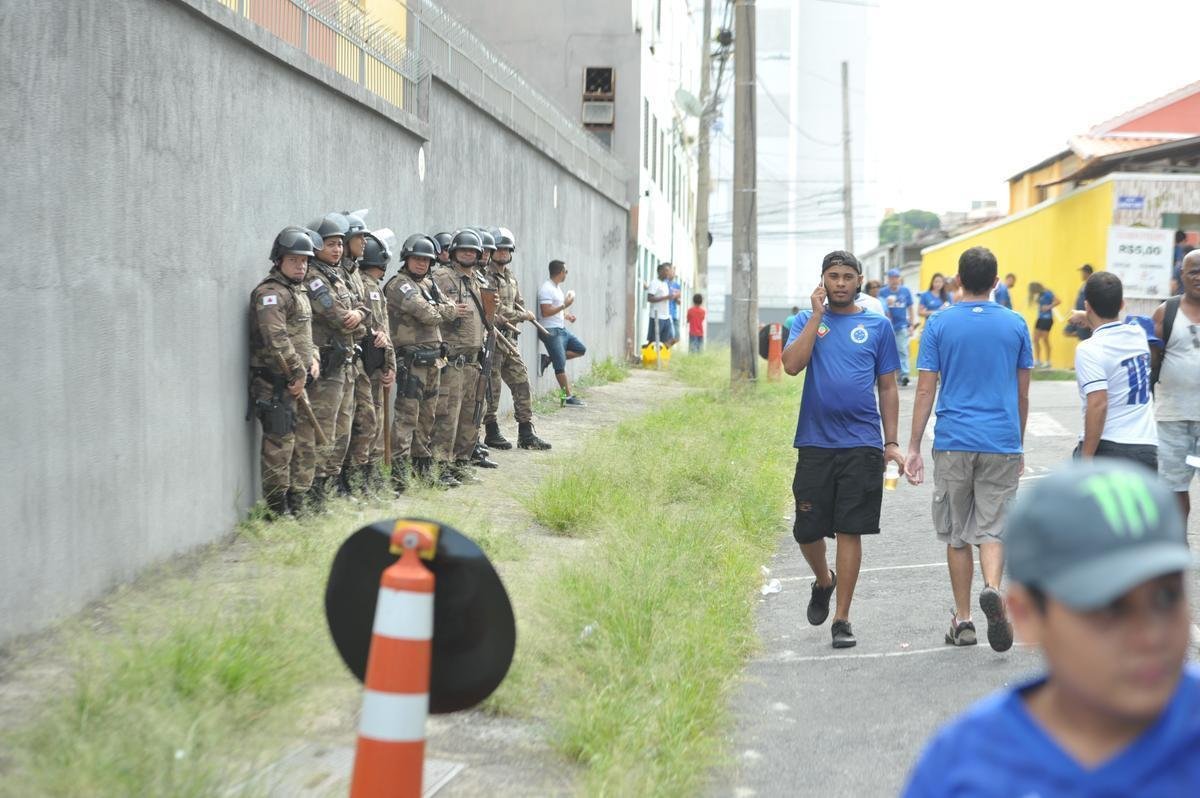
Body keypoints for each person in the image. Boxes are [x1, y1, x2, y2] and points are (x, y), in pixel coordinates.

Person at [903, 460, 1199, 798]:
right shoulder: (963, 771)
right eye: (1109, 608)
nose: (1151, 635)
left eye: (1166, 596)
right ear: (1026, 615)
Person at [904, 246, 1032, 652]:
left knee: (957, 533)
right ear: (996, 282)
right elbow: (1022, 392)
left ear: (957, 281)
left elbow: (926, 387)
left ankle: (963, 620)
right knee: (993, 526)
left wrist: (912, 446)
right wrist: (1019, 441)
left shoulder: (939, 324)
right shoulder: (1015, 324)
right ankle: (992, 587)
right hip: (1001, 441)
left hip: (955, 439)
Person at [782, 250, 904, 649]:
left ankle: (843, 618)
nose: (839, 283)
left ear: (858, 281)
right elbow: (791, 366)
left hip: (862, 443)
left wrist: (891, 443)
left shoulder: (878, 326)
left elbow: (887, 386)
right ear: (822, 280)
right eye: (832, 276)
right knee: (807, 529)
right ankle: (823, 580)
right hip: (815, 441)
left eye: (847, 276)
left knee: (851, 529)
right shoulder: (805, 321)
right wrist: (816, 317)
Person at [248, 227, 319, 517]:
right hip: (276, 383)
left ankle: (298, 500)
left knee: (302, 443)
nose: (300, 265)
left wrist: (313, 359)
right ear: (279, 260)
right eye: (294, 260)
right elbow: (276, 340)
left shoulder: (298, 292)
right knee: (280, 444)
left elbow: (305, 334)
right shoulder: (270, 294)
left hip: (298, 380)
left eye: (304, 261)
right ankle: (277, 508)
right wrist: (296, 374)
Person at [303, 213, 368, 510]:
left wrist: (358, 316)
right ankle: (314, 488)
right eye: (331, 244)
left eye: (340, 244)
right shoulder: (314, 278)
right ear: (316, 246)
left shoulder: (337, 275)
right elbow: (338, 317)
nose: (337, 250)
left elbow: (360, 309)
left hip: (344, 362)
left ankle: (331, 483)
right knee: (323, 428)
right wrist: (354, 317)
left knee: (342, 428)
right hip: (327, 364)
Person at [384, 234, 458, 493]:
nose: (421, 264)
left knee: (428, 417)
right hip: (412, 360)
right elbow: (429, 315)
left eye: (426, 260)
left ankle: (422, 467)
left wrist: (440, 309)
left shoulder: (428, 284)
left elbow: (450, 310)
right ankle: (399, 471)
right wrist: (440, 309)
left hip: (433, 360)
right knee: (407, 417)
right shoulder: (399, 285)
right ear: (407, 258)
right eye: (416, 259)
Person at [1073, 271, 1157, 471]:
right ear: (1121, 304)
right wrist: (1086, 316)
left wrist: (1086, 459)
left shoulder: (1089, 349)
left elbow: (1098, 404)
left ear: (1087, 305)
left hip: (1109, 447)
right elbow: (1115, 323)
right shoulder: (1139, 334)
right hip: (1147, 448)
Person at [482, 226, 551, 451]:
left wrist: (522, 310)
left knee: (521, 382)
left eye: (506, 250)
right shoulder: (485, 276)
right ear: (491, 251)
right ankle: (491, 432)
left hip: (509, 340)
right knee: (491, 390)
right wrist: (523, 315)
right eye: (499, 249)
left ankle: (526, 433)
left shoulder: (510, 277)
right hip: (493, 339)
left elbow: (517, 300)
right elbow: (496, 310)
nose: (502, 253)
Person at [431, 229, 489, 484]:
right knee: (447, 416)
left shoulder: (478, 280)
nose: (468, 253)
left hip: (474, 361)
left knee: (471, 415)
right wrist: (449, 311)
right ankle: (440, 466)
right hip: (452, 361)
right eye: (463, 249)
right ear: (453, 252)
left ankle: (461, 462)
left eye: (472, 250)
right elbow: (429, 310)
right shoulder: (441, 278)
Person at [1153, 249, 1200, 524]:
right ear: (1181, 274)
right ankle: (1176, 549)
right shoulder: (1166, 312)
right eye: (1193, 271)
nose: (1199, 277)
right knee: (1173, 489)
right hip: (1172, 418)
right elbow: (1152, 360)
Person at [351, 232, 397, 493]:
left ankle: (372, 474)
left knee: (375, 421)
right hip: (367, 363)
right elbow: (376, 330)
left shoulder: (374, 287)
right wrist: (387, 363)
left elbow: (384, 331)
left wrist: (389, 365)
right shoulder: (366, 286)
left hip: (377, 363)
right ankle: (362, 476)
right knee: (367, 422)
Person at [538, 260, 587, 406]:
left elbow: (557, 308)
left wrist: (567, 315)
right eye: (565, 271)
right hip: (550, 331)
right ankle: (566, 397)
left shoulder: (557, 288)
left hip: (561, 329)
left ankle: (548, 359)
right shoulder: (546, 289)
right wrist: (564, 305)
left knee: (580, 349)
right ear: (560, 272)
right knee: (560, 365)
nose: (566, 274)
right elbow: (545, 312)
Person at [878, 269, 916, 387]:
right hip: (888, 325)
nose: (894, 280)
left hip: (902, 325)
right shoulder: (883, 292)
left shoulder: (905, 291)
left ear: (899, 278)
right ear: (888, 279)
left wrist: (912, 324)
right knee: (888, 351)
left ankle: (904, 375)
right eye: (892, 278)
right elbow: (881, 308)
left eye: (896, 277)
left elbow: (910, 308)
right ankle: (889, 375)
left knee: (902, 349)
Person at [1029, 280, 1060, 367]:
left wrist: (1048, 307)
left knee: (1045, 339)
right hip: (1040, 318)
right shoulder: (1039, 295)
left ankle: (1048, 361)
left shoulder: (1047, 292)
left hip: (1047, 318)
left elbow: (1058, 301)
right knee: (1035, 339)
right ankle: (1038, 360)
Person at [645, 262, 674, 349]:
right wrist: (665, 297)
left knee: (667, 340)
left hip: (666, 316)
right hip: (656, 316)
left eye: (669, 271)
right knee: (654, 341)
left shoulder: (665, 283)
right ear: (660, 271)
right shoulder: (654, 283)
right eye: (666, 271)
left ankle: (662, 359)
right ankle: (650, 358)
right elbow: (649, 298)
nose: (668, 273)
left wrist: (671, 297)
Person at [1065, 264, 1094, 342]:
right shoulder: (1084, 284)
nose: (1081, 275)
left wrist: (1089, 318)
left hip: (1085, 316)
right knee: (1066, 332)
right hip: (1078, 314)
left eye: (1082, 272)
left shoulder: (1092, 285)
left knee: (1084, 339)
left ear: (1087, 273)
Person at [666, 263, 682, 348]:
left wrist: (677, 299)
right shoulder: (664, 283)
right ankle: (663, 353)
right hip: (666, 314)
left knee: (676, 337)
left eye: (674, 271)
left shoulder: (677, 285)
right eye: (672, 270)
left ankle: (665, 348)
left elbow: (678, 300)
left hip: (674, 313)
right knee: (668, 336)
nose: (673, 273)